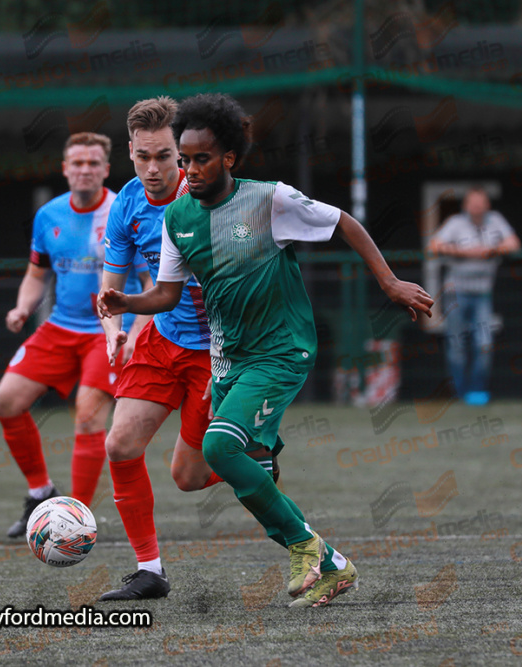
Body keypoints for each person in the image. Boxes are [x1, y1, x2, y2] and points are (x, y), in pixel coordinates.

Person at [99, 93, 434, 608]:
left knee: (219, 449)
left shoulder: (268, 200)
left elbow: (342, 220)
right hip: (223, 354)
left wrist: (388, 283)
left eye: (194, 158)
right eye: (182, 159)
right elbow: (166, 294)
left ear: (229, 157)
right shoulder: (177, 219)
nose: (186, 169)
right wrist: (126, 303)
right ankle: (328, 563)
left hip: (280, 350)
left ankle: (306, 544)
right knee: (197, 470)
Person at [97, 97, 279, 601]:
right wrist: (114, 327)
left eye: (165, 157)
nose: (153, 169)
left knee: (187, 476)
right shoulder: (127, 205)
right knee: (119, 445)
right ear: (129, 153)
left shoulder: (213, 198)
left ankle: (252, 455)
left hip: (217, 352)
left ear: (183, 152)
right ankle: (149, 570)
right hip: (162, 340)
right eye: (142, 157)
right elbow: (112, 287)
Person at [0, 132, 149, 538]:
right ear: (65, 169)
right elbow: (35, 274)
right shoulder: (49, 215)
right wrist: (23, 307)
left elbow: (152, 280)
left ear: (106, 170)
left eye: (93, 163)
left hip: (109, 329)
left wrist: (135, 332)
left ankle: (75, 519)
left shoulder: (124, 210)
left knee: (88, 414)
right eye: (77, 163)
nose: (84, 170)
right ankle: (40, 494)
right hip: (61, 325)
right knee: (6, 400)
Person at [427, 187, 520, 406]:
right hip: (456, 294)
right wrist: (465, 252)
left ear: (487, 204)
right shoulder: (455, 223)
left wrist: (490, 250)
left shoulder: (495, 220)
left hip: (483, 294)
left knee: (484, 344)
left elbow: (514, 244)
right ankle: (459, 394)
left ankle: (476, 393)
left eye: (481, 202)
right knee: (457, 347)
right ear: (466, 205)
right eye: (473, 202)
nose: (477, 206)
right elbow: (434, 245)